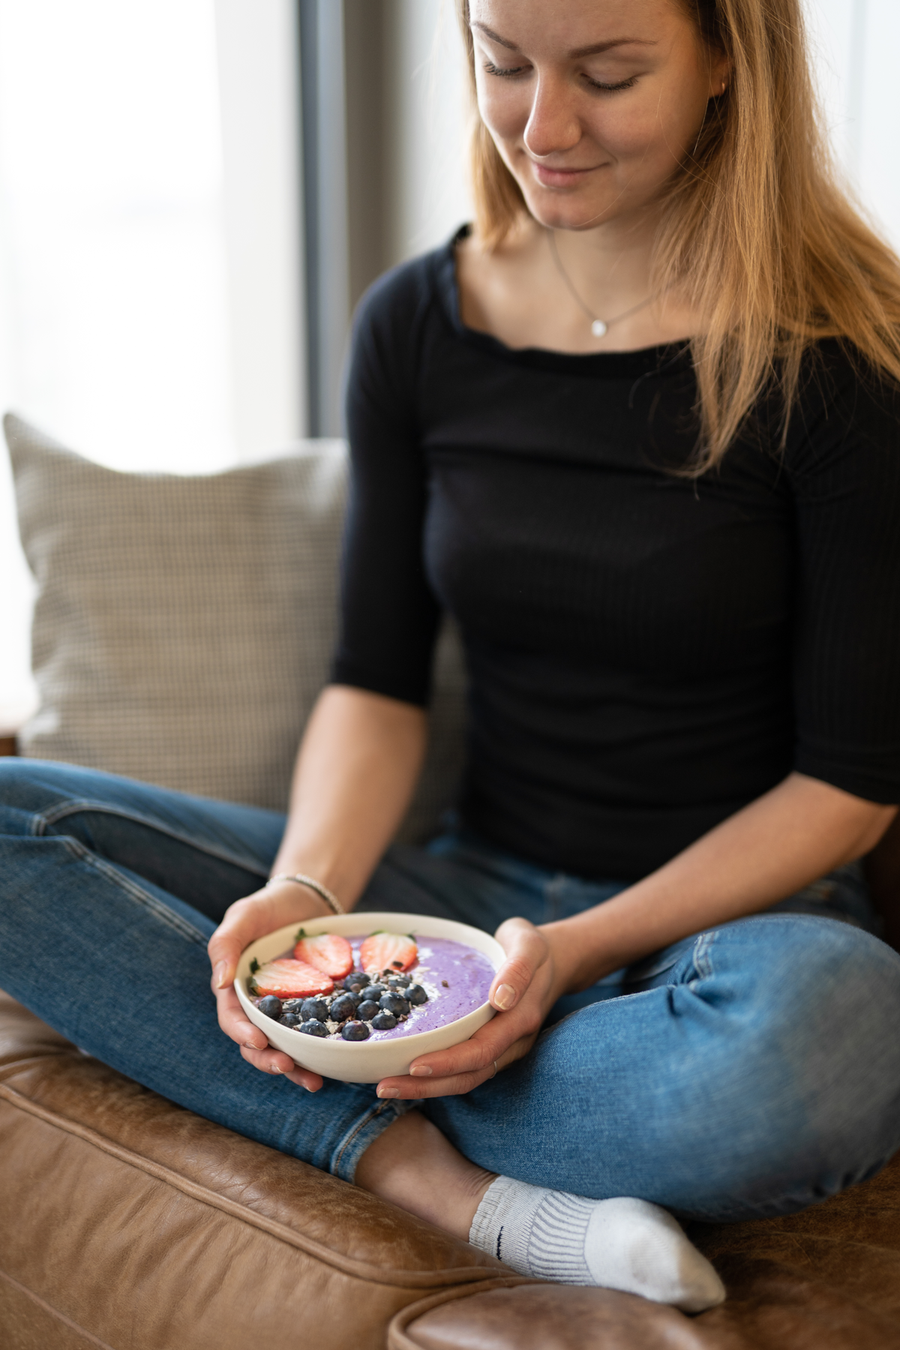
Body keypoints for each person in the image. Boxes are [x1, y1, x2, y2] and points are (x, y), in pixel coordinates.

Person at [3, 0, 900, 1313]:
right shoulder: (417, 324)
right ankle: (426, 1175)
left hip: (721, 937)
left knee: (836, 1043)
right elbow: (374, 685)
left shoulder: (839, 361)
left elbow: (852, 784)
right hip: (454, 905)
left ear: (725, 57)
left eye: (608, 75)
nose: (544, 127)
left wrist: (570, 957)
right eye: (503, 62)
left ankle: (360, 1071)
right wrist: (310, 891)